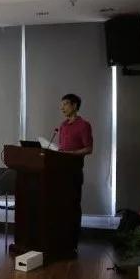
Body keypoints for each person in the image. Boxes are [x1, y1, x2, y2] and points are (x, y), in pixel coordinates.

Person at [57, 93, 93, 256]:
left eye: (65, 104)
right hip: (60, 172)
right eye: (62, 104)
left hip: (74, 172)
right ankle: (61, 240)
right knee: (61, 207)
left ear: (74, 105)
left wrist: (71, 154)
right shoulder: (63, 125)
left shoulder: (84, 125)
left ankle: (72, 244)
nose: (62, 108)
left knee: (72, 207)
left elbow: (89, 148)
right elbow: (61, 148)